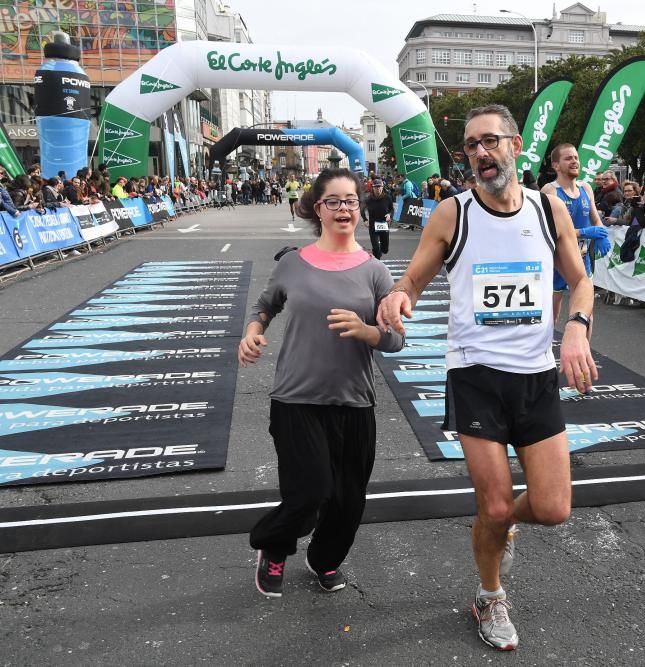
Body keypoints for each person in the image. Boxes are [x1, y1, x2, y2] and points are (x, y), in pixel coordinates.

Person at [377, 104, 594, 652]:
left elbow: (581, 281)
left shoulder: (549, 213)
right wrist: (402, 296)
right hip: (475, 373)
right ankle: (490, 595)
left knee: (552, 508)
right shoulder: (454, 213)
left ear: (515, 146)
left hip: (535, 374)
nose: (479, 153)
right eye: (470, 145)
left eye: (489, 141)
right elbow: (415, 278)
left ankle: (503, 531)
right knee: (493, 505)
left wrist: (576, 330)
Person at [241, 168, 404, 599]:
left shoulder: (375, 273)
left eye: (351, 200)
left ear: (360, 209)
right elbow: (265, 305)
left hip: (354, 402)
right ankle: (272, 545)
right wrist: (252, 331)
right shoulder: (292, 263)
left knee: (349, 503)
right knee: (310, 491)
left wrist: (369, 332)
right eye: (333, 201)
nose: (344, 208)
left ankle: (324, 559)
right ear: (318, 209)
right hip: (296, 398)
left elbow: (396, 338)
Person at [540, 143, 609, 322]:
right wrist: (586, 232)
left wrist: (601, 233)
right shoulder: (550, 191)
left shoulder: (586, 188)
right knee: (551, 314)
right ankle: (547, 349)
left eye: (576, 158)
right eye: (568, 158)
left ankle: (584, 348)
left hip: (582, 257)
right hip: (558, 260)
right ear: (556, 165)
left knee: (585, 313)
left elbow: (595, 218)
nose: (574, 161)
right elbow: (550, 231)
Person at [363, 177, 394, 259]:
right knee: (376, 248)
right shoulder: (368, 199)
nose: (378, 189)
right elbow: (362, 210)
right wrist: (365, 219)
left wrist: (389, 215)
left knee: (385, 249)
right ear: (373, 188)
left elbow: (392, 209)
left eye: (380, 187)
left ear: (382, 187)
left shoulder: (387, 198)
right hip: (373, 225)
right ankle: (377, 261)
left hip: (384, 224)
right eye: (376, 187)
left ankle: (380, 251)